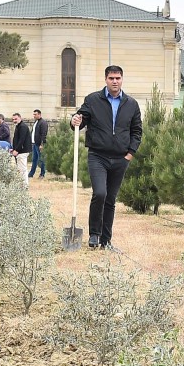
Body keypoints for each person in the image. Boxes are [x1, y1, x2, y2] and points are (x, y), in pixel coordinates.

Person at [71, 65, 142, 250]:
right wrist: (75, 120)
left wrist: (130, 153)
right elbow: (81, 117)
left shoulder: (131, 104)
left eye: (118, 78)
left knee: (110, 199)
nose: (115, 81)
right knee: (100, 193)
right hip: (98, 156)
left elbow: (137, 131)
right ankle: (94, 234)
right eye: (111, 78)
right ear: (105, 79)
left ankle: (106, 240)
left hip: (120, 159)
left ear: (122, 79)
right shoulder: (93, 100)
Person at [9, 112, 32, 187]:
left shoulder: (22, 127)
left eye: (16, 119)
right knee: (20, 168)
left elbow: (22, 140)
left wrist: (17, 150)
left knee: (22, 169)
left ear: (20, 118)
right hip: (20, 151)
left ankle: (24, 185)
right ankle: (22, 185)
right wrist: (13, 149)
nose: (14, 120)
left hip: (22, 151)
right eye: (13, 119)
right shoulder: (18, 126)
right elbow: (16, 139)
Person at [27, 109, 48, 179]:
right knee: (34, 159)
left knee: (41, 159)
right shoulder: (36, 122)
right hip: (34, 144)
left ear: (39, 114)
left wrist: (42, 144)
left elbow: (44, 134)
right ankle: (31, 174)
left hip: (39, 144)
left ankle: (42, 174)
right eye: (34, 114)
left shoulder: (43, 123)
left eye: (35, 114)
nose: (34, 116)